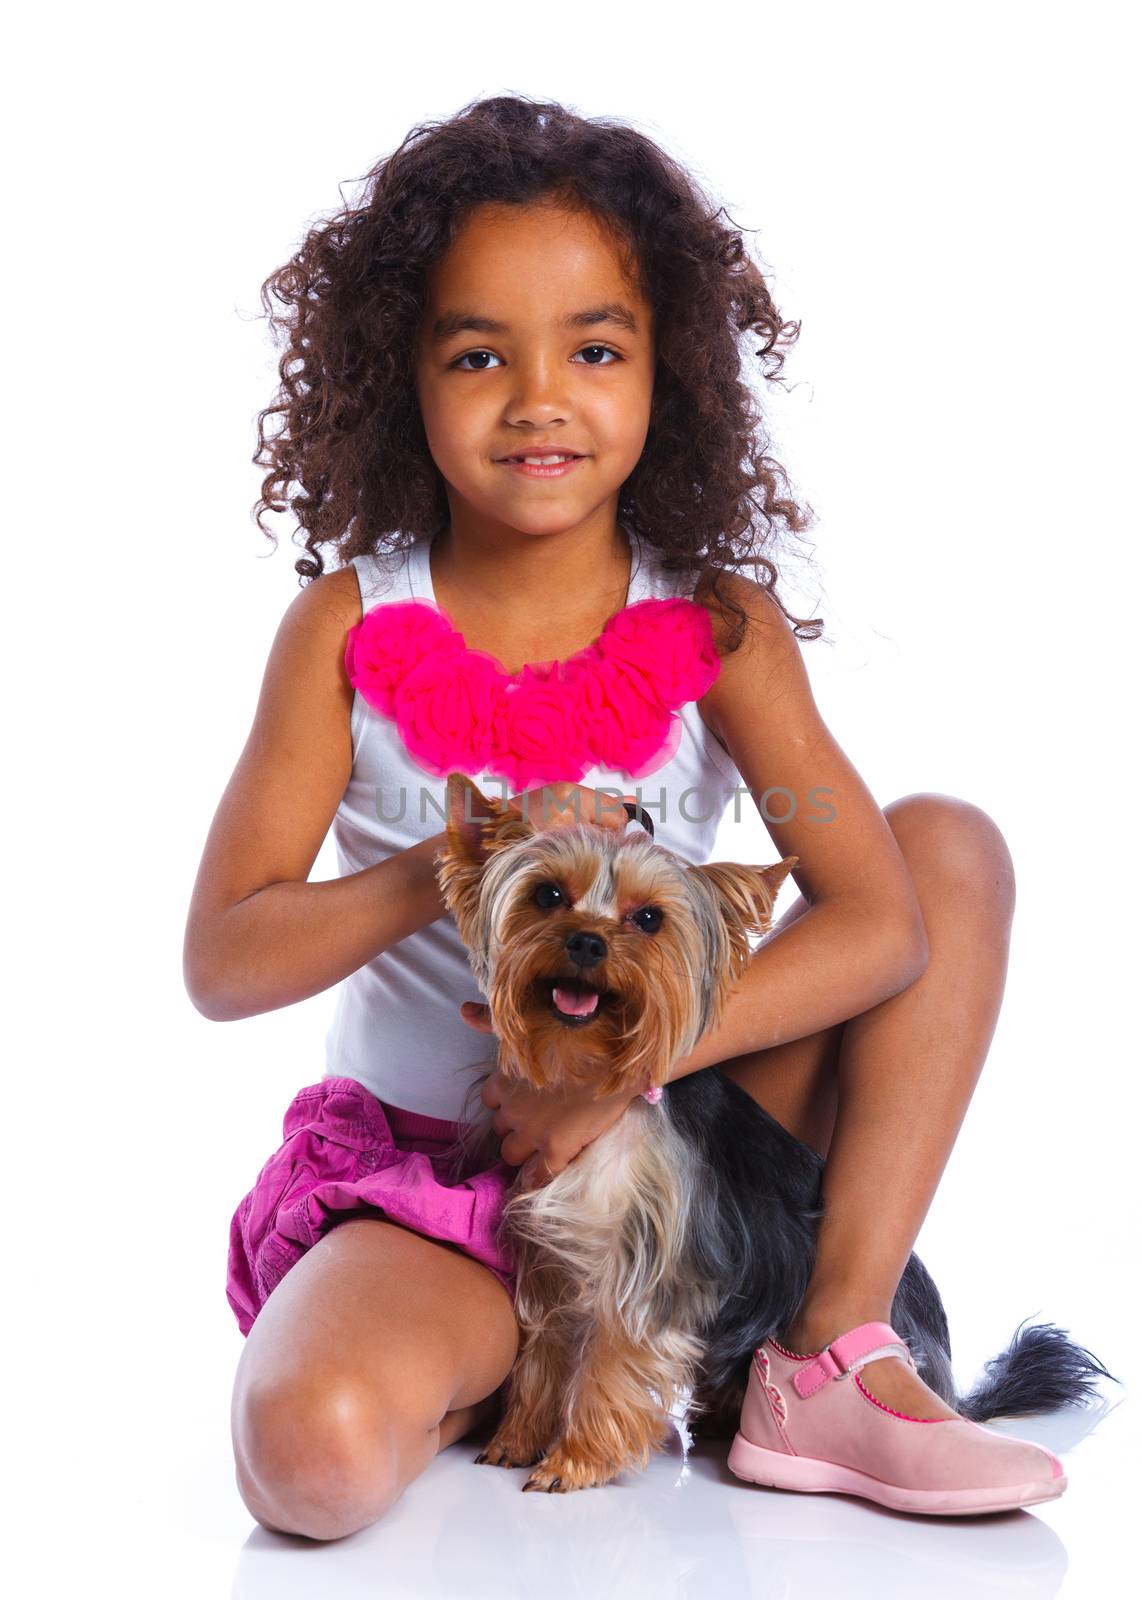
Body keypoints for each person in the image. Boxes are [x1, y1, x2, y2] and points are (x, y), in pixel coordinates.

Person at [185, 94, 1024, 1540]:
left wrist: (617, 1074)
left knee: (947, 847)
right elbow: (226, 960)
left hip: (677, 1132)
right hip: (444, 1169)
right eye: (476, 354)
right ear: (404, 378)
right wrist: (462, 869)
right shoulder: (346, 628)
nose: (538, 398)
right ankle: (504, 1343)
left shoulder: (716, 629)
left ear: (666, 373)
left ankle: (827, 1352)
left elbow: (883, 925)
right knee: (307, 1464)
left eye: (593, 348)